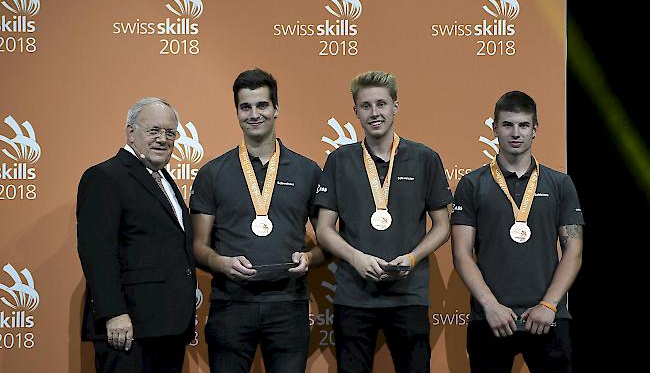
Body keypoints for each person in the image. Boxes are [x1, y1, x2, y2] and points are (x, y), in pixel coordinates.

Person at [315, 71, 452, 373]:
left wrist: (413, 257)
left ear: (395, 107)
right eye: (366, 106)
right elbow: (323, 229)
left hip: (409, 294)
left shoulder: (425, 158)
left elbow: (443, 226)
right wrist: (356, 258)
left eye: (381, 104)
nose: (374, 113)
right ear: (355, 111)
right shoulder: (340, 160)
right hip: (354, 294)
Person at [190, 68, 326, 373]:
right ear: (237, 112)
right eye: (245, 107)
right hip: (230, 305)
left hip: (288, 305)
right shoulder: (213, 173)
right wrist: (222, 263)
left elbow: (328, 244)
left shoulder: (308, 171)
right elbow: (197, 246)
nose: (254, 114)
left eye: (262, 105)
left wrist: (308, 257)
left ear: (276, 109)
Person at [451, 91, 584, 373]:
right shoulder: (471, 184)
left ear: (535, 130)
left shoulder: (560, 184)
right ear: (494, 128)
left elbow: (574, 251)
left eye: (523, 125)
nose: (516, 133)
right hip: (491, 318)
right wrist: (490, 306)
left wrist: (548, 306)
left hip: (549, 318)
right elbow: (461, 254)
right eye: (508, 124)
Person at [77, 98, 196, 373]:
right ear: (131, 133)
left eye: (170, 133)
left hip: (168, 328)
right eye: (153, 131)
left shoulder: (164, 179)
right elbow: (97, 252)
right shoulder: (105, 177)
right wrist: (114, 313)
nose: (163, 139)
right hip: (129, 329)